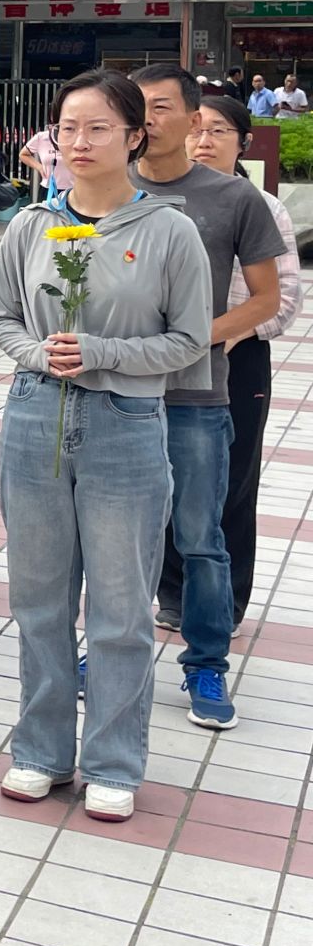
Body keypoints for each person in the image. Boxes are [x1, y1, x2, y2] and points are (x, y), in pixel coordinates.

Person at [0, 69, 210, 823]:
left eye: (98, 128)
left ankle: (114, 762)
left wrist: (103, 352)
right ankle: (41, 751)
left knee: (120, 607)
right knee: (39, 599)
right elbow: (0, 315)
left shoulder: (169, 230)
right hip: (33, 417)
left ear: (135, 137)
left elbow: (189, 339)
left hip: (126, 423)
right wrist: (36, 354)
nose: (78, 142)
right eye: (67, 128)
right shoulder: (31, 225)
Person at [132, 63, 284, 731]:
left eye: (160, 107)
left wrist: (191, 340)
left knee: (201, 537)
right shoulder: (106, 187)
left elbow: (267, 298)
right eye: (136, 106)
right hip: (115, 395)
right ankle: (110, 653)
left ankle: (206, 665)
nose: (145, 119)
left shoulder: (234, 198)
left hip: (197, 396)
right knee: (117, 539)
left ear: (194, 119)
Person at [186, 94, 301, 631]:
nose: (203, 141)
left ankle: (226, 601)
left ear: (243, 143)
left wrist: (235, 331)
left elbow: (286, 298)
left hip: (239, 357)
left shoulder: (263, 207)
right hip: (167, 358)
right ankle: (171, 591)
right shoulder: (160, 200)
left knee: (231, 479)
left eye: (218, 131)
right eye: (196, 129)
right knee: (165, 474)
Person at [18, 123, 72, 200]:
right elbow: (23, 155)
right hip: (48, 189)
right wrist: (39, 167)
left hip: (73, 190)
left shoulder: (77, 137)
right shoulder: (41, 137)